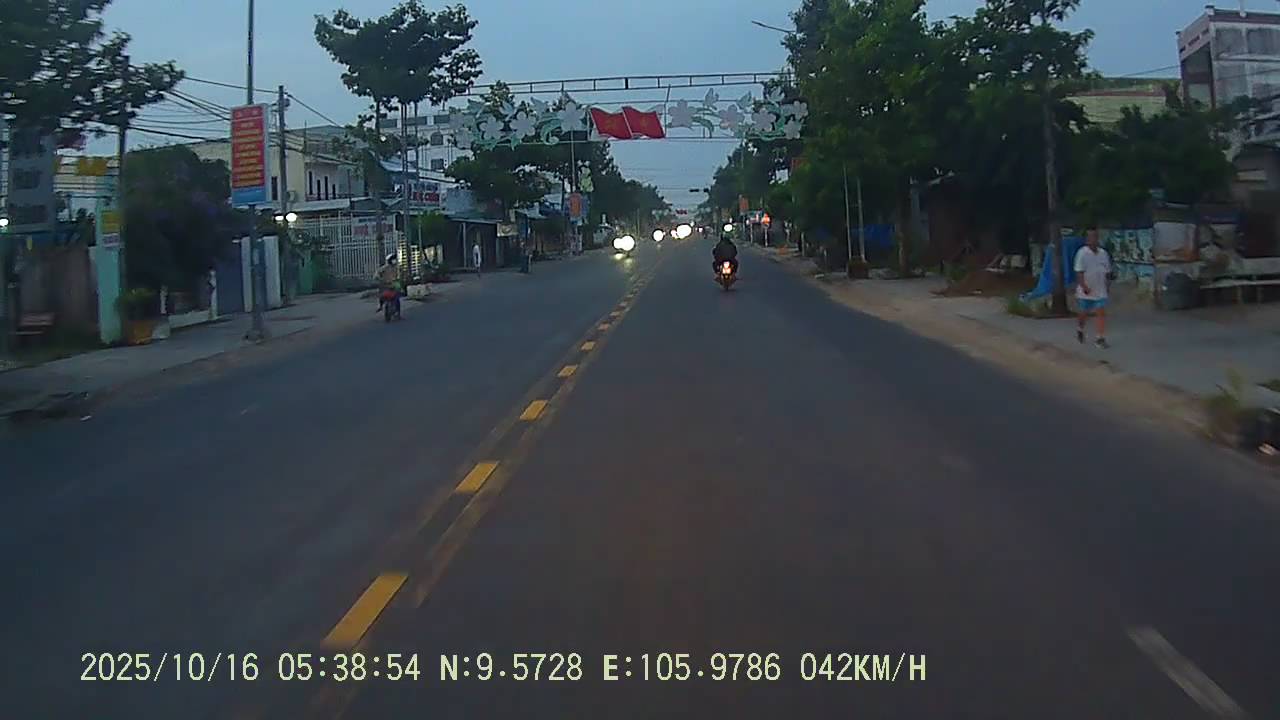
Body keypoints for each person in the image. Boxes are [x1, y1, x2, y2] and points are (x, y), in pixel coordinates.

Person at [1074, 228, 1113, 348]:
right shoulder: (1082, 253)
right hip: (1086, 290)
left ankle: (1100, 338)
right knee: (1084, 312)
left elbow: (1108, 271)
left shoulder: (1103, 253)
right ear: (1087, 240)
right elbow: (1079, 272)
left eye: (1095, 237)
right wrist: (1084, 286)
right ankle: (1080, 328)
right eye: (1090, 237)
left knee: (1101, 312)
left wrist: (1107, 285)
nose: (1093, 240)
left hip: (1100, 289)